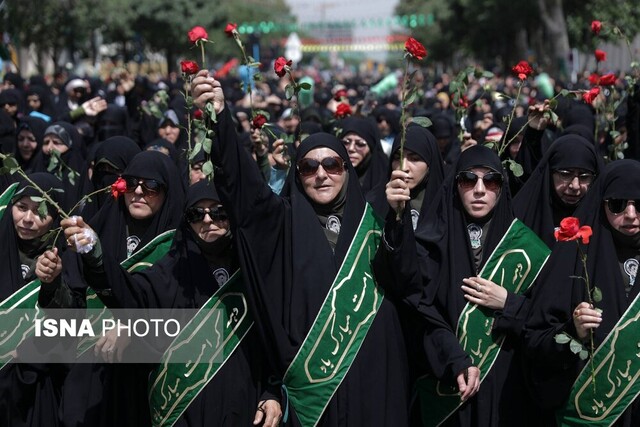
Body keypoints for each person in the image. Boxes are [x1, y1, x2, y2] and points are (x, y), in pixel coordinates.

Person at [191, 70, 410, 426]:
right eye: (309, 166)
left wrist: (400, 224)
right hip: (312, 393)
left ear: (347, 170)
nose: (321, 174)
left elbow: (408, 283)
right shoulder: (282, 222)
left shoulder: (377, 218)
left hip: (377, 380)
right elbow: (243, 189)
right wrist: (219, 120)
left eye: (332, 164)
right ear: (298, 173)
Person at [52, 179, 282, 426]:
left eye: (218, 213)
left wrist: (272, 392)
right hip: (184, 411)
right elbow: (130, 295)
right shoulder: (172, 272)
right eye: (196, 214)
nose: (207, 221)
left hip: (246, 408)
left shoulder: (254, 270)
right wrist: (95, 252)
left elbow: (274, 338)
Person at [379, 144, 547, 426]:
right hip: (446, 388)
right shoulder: (429, 245)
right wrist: (454, 358)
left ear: (502, 187)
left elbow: (548, 321)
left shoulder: (527, 247)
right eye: (468, 180)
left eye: (491, 180)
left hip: (507, 393)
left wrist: (509, 303)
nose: (479, 189)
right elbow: (419, 311)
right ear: (454, 185)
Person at [524, 159, 640, 426]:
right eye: (618, 204)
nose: (631, 215)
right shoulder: (573, 258)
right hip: (587, 412)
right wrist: (572, 331)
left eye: (639, 204)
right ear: (601, 204)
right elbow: (534, 340)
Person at [0, 172, 68, 427]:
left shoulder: (65, 260)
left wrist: (53, 284)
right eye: (21, 208)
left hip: (40, 385)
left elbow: (74, 323)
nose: (27, 219)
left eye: (40, 211)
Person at [514, 134, 603, 248]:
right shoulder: (523, 218)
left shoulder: (600, 222)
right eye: (565, 175)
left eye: (584, 177)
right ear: (549, 174)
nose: (575, 186)